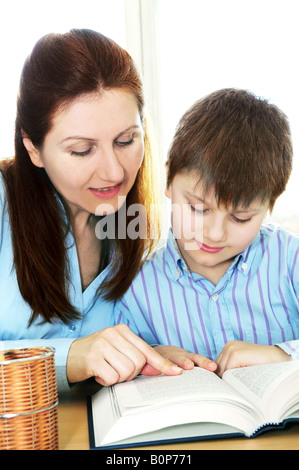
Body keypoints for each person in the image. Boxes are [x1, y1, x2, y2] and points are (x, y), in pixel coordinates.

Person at [0, 29, 217, 392]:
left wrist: (143, 354)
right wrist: (71, 356)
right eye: (83, 150)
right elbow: (79, 355)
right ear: (33, 148)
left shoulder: (141, 230)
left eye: (126, 140)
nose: (115, 172)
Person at [114, 88, 299, 377]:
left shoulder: (290, 260)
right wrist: (152, 357)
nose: (214, 234)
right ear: (168, 180)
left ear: (269, 207)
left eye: (240, 218)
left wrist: (282, 354)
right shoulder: (137, 290)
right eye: (199, 209)